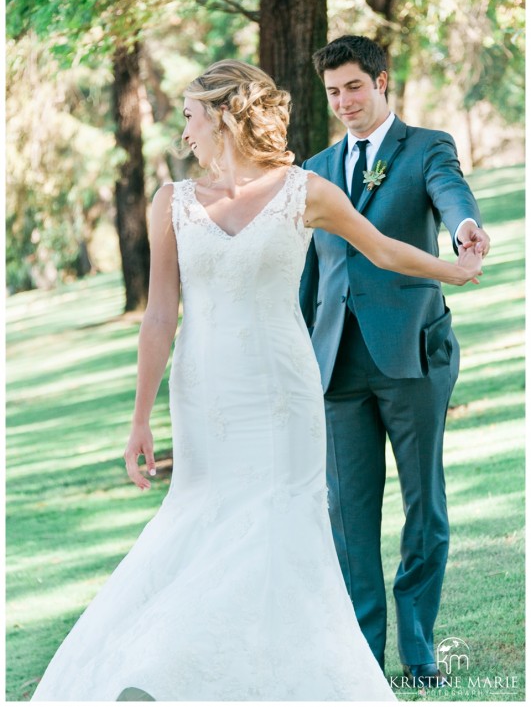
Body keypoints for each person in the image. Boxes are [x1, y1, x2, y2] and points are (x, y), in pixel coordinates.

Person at [32, 59, 482, 702]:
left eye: (189, 114)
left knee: (282, 527)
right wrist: (139, 419)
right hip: (205, 391)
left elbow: (381, 247)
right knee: (202, 519)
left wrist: (454, 270)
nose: (182, 130)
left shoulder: (305, 191)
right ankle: (174, 666)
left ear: (221, 114)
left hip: (284, 391)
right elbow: (160, 317)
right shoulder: (172, 202)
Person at [299, 35, 491, 687]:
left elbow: (451, 196)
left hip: (411, 353)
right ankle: (361, 655)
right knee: (347, 516)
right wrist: (299, 354)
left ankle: (417, 648)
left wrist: (466, 228)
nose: (344, 101)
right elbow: (311, 272)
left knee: (422, 503)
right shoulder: (317, 167)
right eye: (332, 92)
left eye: (353, 86)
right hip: (336, 366)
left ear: (382, 82)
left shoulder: (425, 147)